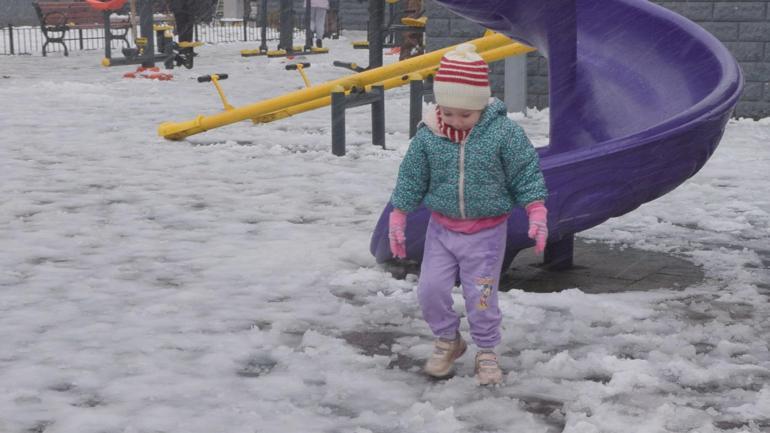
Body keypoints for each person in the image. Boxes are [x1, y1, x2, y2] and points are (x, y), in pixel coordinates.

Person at [388, 43, 548, 385]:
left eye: (466, 115)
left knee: (481, 299)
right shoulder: (429, 136)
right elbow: (412, 176)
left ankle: (486, 350)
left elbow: (525, 172)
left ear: (482, 105)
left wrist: (536, 209)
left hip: (486, 236)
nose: (456, 121)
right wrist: (398, 214)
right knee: (430, 291)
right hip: (442, 232)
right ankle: (448, 339)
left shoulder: (503, 134)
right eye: (448, 113)